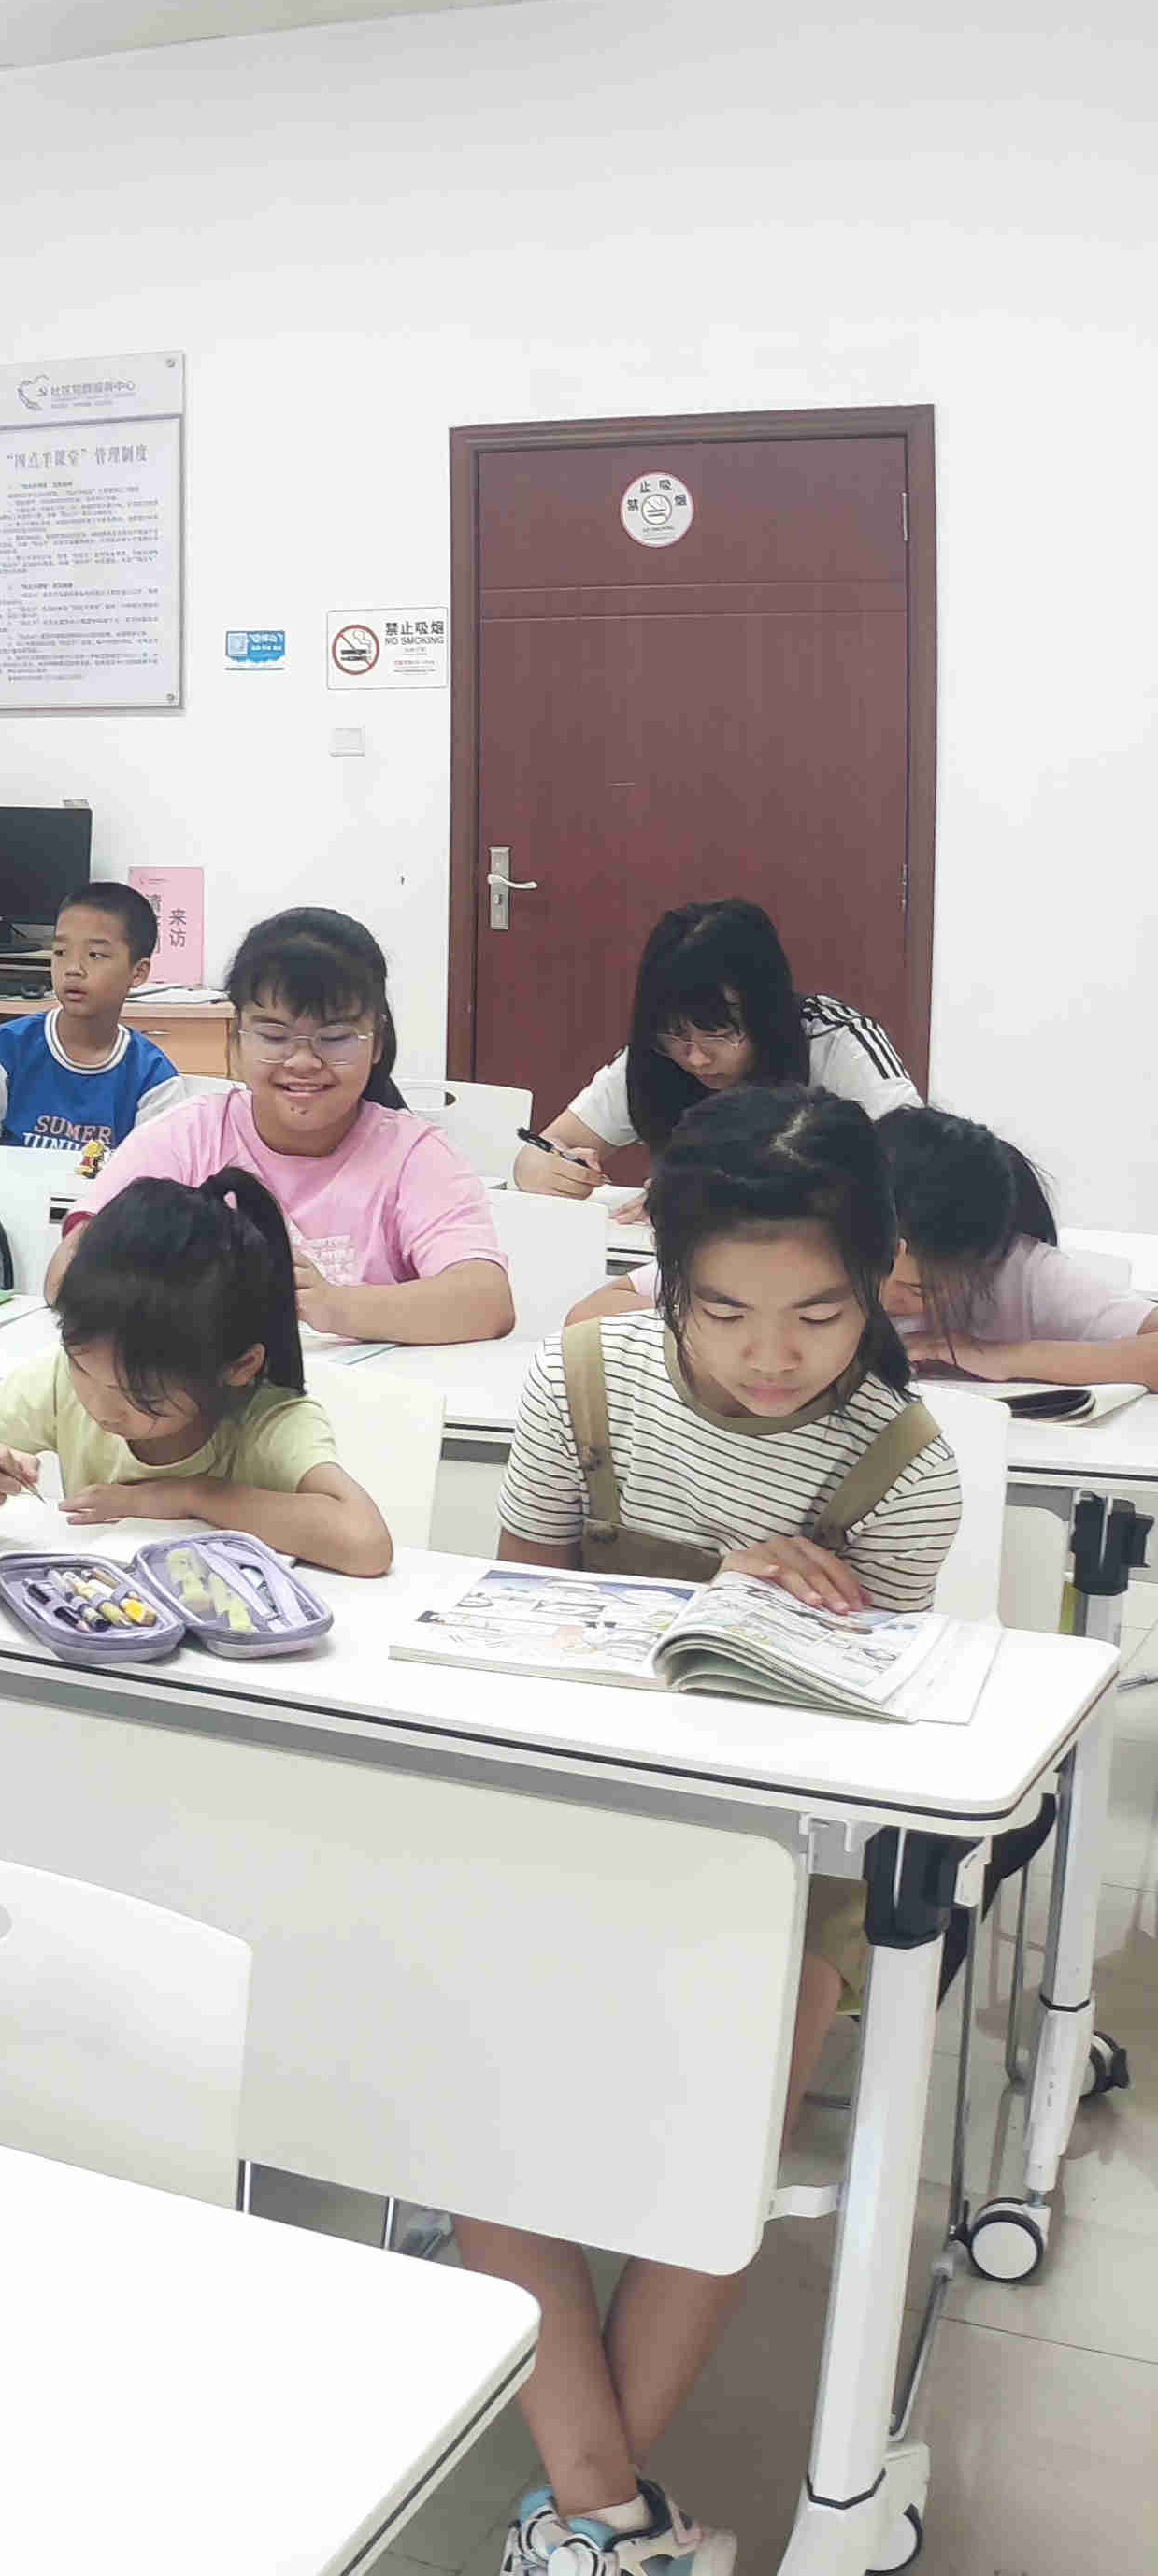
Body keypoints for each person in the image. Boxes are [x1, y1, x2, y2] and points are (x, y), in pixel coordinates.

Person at [473, 1086, 961, 2576]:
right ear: (668, 1281)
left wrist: (790, 1623)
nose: (772, 1356)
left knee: (723, 2134)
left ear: (876, 1284)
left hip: (780, 1847)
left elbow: (871, 1741)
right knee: (468, 2092)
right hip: (569, 1796)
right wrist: (701, 1593)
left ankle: (590, 2511)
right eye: (727, 1312)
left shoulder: (902, 1464)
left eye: (820, 1315)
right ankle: (613, 2521)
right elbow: (512, 1624)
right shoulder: (585, 1381)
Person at [0, 1169, 392, 1575]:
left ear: (238, 1367)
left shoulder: (269, 1420)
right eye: (84, 1370)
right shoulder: (60, 1381)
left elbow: (366, 1542)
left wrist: (186, 1496)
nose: (103, 1406)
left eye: (139, 1394)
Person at [59, 908, 512, 1346]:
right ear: (236, 1038)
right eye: (274, 1036)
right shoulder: (187, 1137)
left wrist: (334, 1306)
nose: (302, 1061)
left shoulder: (413, 1155)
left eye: (335, 1038)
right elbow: (69, 1271)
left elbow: (485, 1300)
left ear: (376, 1042)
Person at [576, 1107, 1158, 1390]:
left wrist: (1001, 1357)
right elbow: (590, 1318)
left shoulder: (1019, 1270)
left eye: (921, 1290)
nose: (889, 1297)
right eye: (876, 1269)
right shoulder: (810, 1244)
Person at [516, 899, 917, 1197]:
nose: (696, 1057)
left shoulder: (836, 1042)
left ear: (767, 1013)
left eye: (719, 1033)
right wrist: (541, 1168)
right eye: (676, 1035)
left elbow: (920, 1172)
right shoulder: (654, 1057)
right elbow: (545, 1148)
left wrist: (711, 1199)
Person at [0, 879, 188, 1170]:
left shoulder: (154, 1079)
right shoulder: (1, 1050)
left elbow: (148, 1182)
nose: (73, 969)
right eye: (60, 952)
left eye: (95, 955)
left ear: (138, 972)